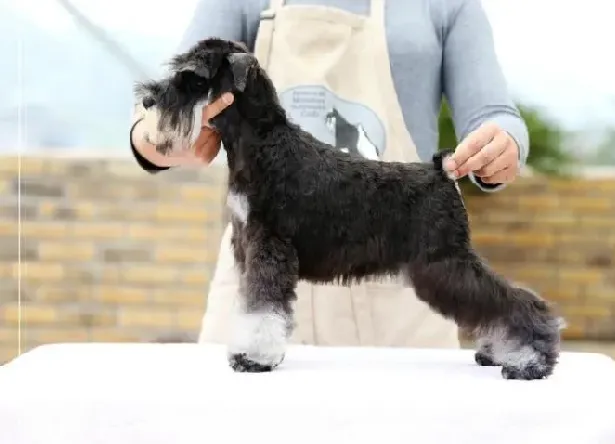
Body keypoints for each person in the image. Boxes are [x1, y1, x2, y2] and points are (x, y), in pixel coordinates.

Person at [130, 0, 529, 349]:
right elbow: (157, 113)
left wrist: (501, 143)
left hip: (395, 282)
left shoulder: (447, 4)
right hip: (254, 274)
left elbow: (493, 114)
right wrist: (152, 138)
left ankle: (523, 326)